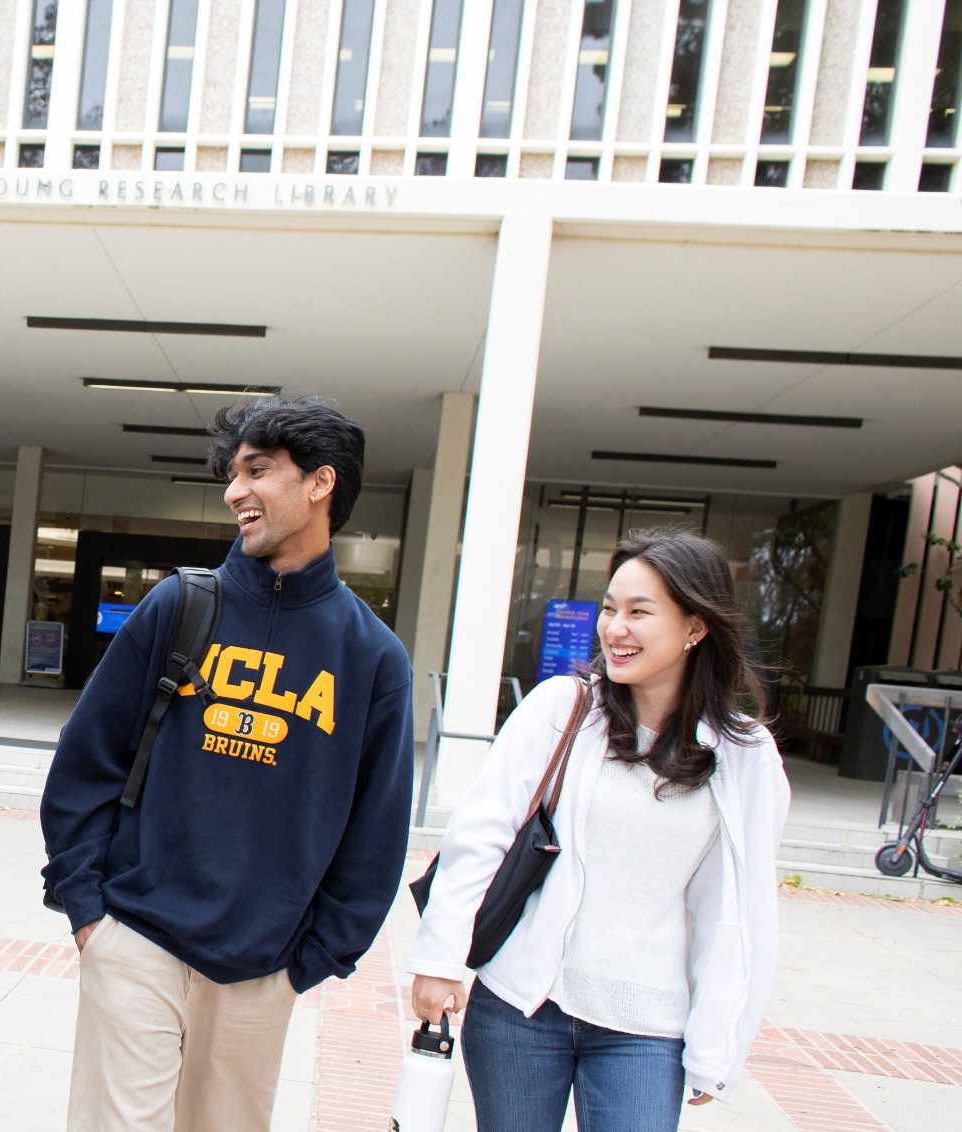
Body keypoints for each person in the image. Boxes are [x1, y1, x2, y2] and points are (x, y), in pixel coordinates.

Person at [40, 395, 415, 1132]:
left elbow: (378, 830)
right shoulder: (180, 605)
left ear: (320, 484)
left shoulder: (371, 657)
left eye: (258, 471)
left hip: (261, 968)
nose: (235, 491)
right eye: (233, 473)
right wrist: (89, 912)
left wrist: (310, 961)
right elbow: (86, 760)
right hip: (136, 936)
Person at [408, 530, 791, 1132]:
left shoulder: (745, 756)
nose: (615, 628)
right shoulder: (564, 708)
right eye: (610, 609)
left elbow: (737, 911)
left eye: (640, 612)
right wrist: (440, 959)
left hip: (647, 1026)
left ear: (696, 628)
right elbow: (480, 837)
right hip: (520, 1007)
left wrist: (718, 1046)